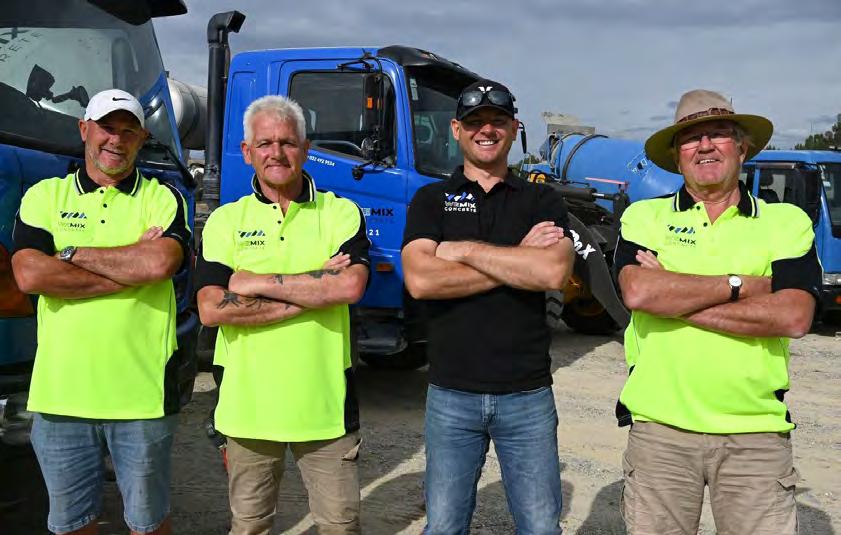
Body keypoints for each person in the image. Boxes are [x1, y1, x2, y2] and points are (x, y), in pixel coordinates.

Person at [613, 89, 821, 534]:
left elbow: (793, 316)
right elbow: (638, 292)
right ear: (676, 155)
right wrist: (740, 285)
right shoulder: (645, 217)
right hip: (660, 432)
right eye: (691, 138)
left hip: (756, 435)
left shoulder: (786, 221)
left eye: (719, 133)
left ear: (742, 147)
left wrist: (674, 299)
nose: (705, 145)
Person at [11, 89, 190, 535]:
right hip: (60, 396)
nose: (117, 140)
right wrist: (128, 268)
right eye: (107, 128)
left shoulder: (163, 197)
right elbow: (30, 275)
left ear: (142, 139)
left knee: (148, 524)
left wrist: (68, 252)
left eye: (129, 131)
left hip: (143, 396)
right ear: (84, 129)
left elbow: (159, 264)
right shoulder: (44, 195)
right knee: (73, 524)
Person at [401, 79, 575, 534]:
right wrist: (518, 256)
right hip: (451, 394)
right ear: (456, 130)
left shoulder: (542, 199)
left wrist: (461, 250)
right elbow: (420, 280)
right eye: (475, 122)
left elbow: (551, 273)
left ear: (514, 129)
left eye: (497, 121)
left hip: (527, 395)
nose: (486, 130)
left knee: (541, 528)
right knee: (444, 527)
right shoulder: (431, 199)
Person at [194, 95, 370, 535]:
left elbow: (349, 287)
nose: (277, 152)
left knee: (340, 527)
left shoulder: (340, 212)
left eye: (288, 142)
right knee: (249, 526)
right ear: (247, 151)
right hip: (246, 410)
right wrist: (313, 288)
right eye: (265, 143)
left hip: (325, 409)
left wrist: (253, 280)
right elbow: (211, 308)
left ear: (305, 149)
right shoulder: (225, 220)